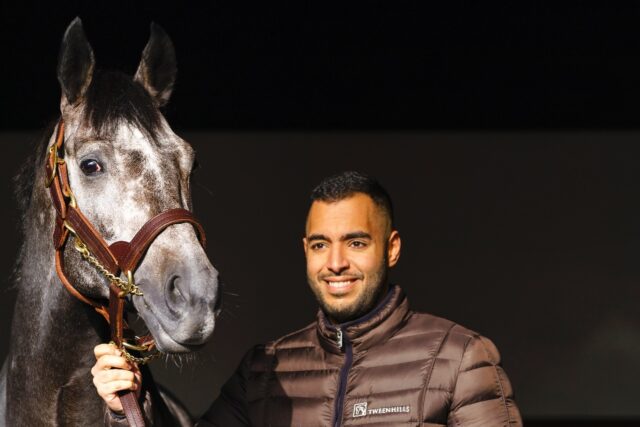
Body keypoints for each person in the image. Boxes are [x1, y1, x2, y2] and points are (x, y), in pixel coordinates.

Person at [93, 171, 523, 426]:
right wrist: (127, 406)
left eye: (356, 243)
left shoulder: (462, 358)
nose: (335, 262)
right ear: (305, 251)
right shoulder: (264, 369)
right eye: (320, 245)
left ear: (390, 248)